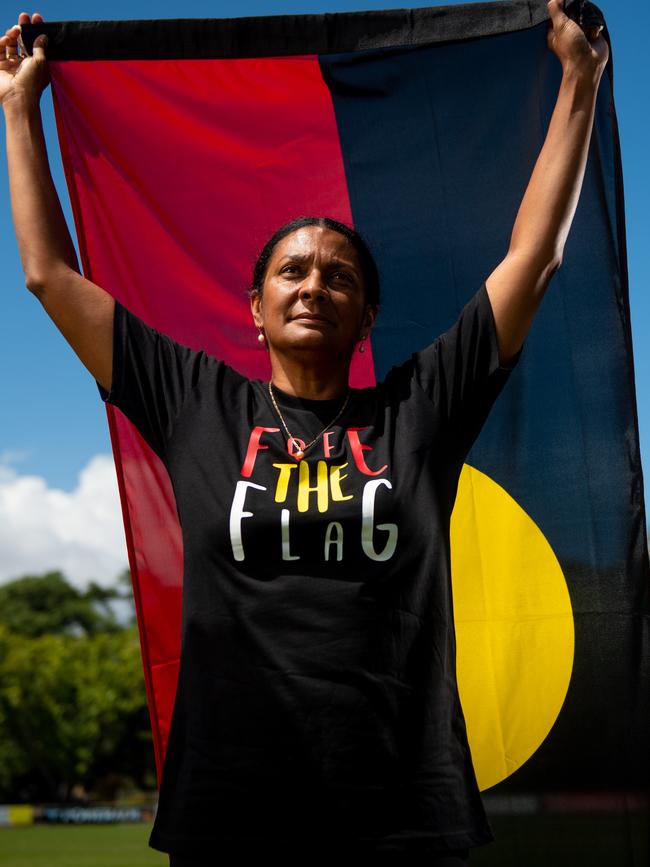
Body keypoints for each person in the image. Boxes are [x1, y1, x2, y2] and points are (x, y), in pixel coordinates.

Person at [1, 4, 608, 865]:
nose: (313, 285)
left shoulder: (420, 408)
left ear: (367, 315)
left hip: (403, 806)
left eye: (339, 276)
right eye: (291, 270)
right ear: (255, 311)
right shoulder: (194, 402)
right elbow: (48, 275)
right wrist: (17, 107)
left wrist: (579, 81)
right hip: (230, 807)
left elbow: (534, 258)